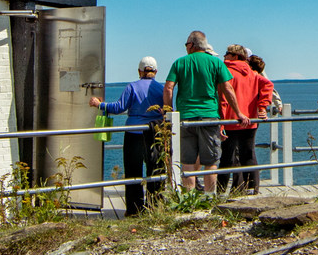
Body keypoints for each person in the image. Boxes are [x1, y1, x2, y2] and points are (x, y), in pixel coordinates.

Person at [165, 30, 247, 191]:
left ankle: (189, 199)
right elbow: (228, 88)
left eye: (186, 44)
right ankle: (210, 198)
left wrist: (169, 112)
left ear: (192, 45)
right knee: (210, 162)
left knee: (188, 162)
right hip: (209, 116)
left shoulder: (179, 63)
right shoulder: (216, 63)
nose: (186, 47)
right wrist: (238, 113)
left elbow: (168, 88)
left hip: (186, 118)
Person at [89, 56, 166, 216]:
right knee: (155, 170)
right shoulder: (161, 89)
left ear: (139, 71)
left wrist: (100, 104)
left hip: (134, 133)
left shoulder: (132, 87)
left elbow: (119, 107)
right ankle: (155, 206)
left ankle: (134, 209)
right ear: (156, 71)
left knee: (133, 171)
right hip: (155, 133)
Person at [217, 45, 274, 194]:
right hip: (250, 120)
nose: (224, 56)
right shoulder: (252, 73)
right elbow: (268, 85)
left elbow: (223, 100)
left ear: (235, 56)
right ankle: (252, 189)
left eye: (227, 54)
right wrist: (262, 107)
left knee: (226, 158)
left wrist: (221, 124)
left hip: (231, 121)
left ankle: (220, 191)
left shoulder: (226, 72)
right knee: (248, 154)